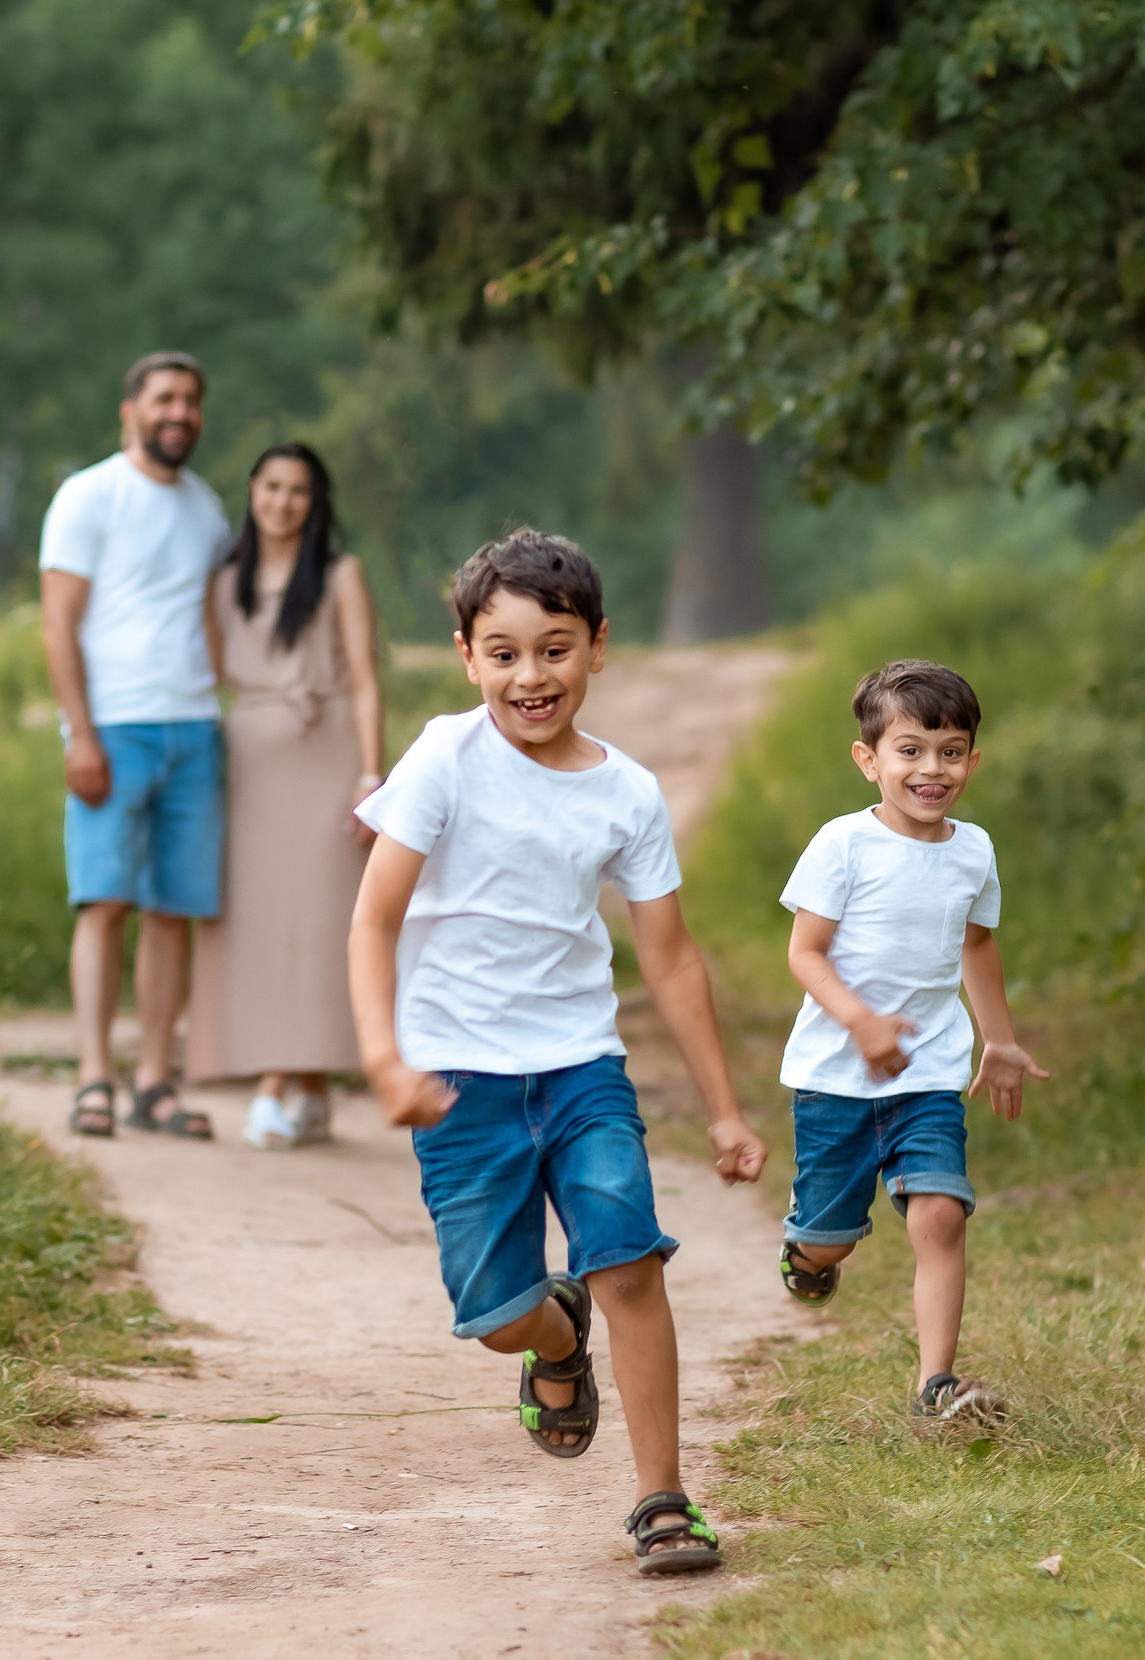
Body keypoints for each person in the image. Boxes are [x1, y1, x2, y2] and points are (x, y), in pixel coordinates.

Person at [348, 528, 768, 1576]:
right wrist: (382, 1058)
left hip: (581, 1067)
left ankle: (662, 1500)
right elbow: (372, 920)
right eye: (504, 653)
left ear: (596, 649)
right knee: (497, 1314)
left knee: (628, 1259)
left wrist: (722, 1108)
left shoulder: (627, 791)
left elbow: (669, 959)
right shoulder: (445, 756)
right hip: (457, 1081)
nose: (530, 676)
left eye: (554, 649)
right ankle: (551, 1339)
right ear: (465, 655)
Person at [772, 659, 1049, 1424]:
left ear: (972, 760)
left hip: (927, 1072)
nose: (933, 768)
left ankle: (937, 1386)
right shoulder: (843, 845)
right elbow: (805, 952)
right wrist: (859, 1020)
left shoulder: (973, 850)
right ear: (869, 759)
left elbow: (978, 944)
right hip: (837, 1077)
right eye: (911, 749)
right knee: (832, 1238)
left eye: (951, 751)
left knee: (940, 1213)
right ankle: (808, 1251)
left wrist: (998, 1039)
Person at [38, 351, 230, 1141]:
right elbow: (58, 623)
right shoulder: (89, 495)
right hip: (114, 726)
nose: (179, 412)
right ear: (130, 411)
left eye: (190, 399)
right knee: (105, 900)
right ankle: (94, 1077)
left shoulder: (208, 508)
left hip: (196, 725)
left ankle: (155, 1079)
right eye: (164, 399)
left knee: (171, 909)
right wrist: (78, 732)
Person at [186, 443, 383, 1148]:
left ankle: (283, 1083)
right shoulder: (225, 579)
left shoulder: (340, 575)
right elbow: (207, 670)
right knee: (261, 921)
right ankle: (304, 1082)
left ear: (315, 501)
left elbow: (364, 677)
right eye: (271, 487)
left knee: (324, 919)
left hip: (326, 753)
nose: (282, 502)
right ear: (252, 490)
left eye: (298, 490)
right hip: (250, 761)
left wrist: (370, 773)